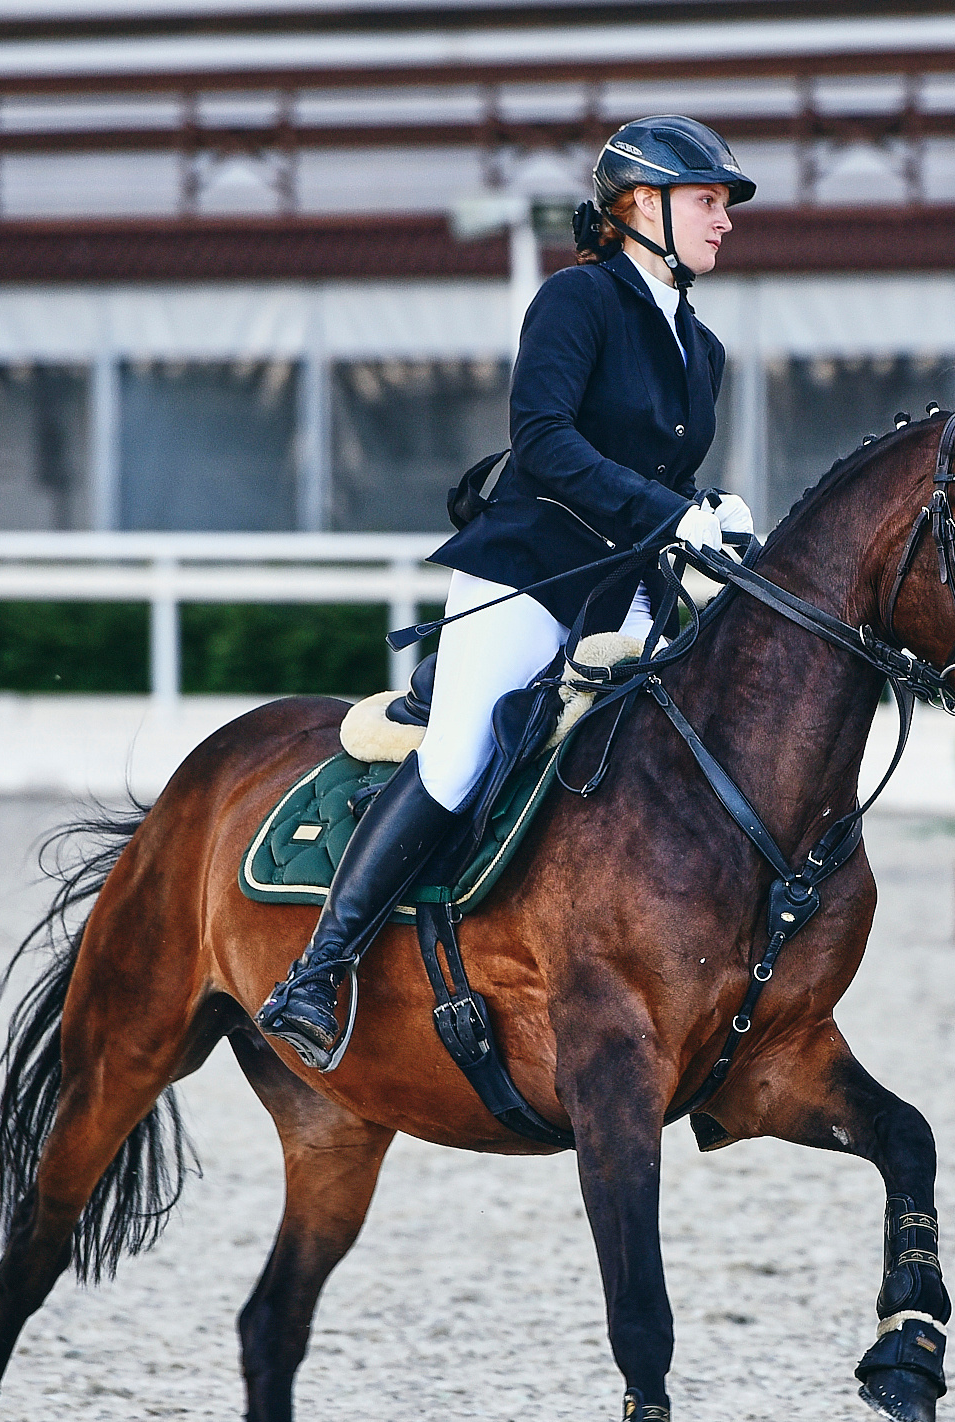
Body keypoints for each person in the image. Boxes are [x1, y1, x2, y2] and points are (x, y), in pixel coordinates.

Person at [257, 116, 760, 1069]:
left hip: (625, 591)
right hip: (530, 569)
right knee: (459, 756)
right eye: (707, 201)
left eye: (724, 205)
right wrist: (669, 510)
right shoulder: (577, 301)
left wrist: (709, 513)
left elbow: (657, 472)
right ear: (638, 208)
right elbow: (545, 441)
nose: (724, 220)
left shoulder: (706, 350)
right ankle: (318, 972)